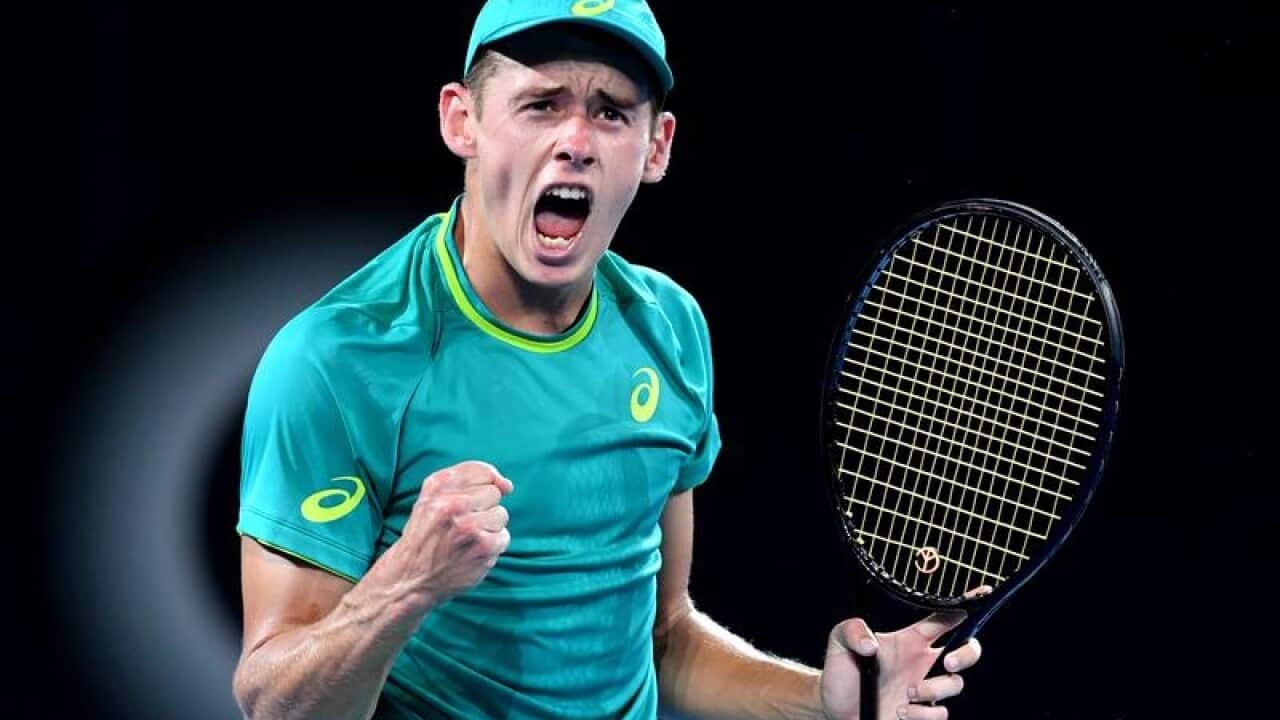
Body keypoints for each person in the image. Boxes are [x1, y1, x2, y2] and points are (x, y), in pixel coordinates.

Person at [232, 2, 983, 718]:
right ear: (461, 120)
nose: (576, 141)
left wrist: (819, 699)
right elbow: (276, 705)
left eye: (611, 112)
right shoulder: (335, 358)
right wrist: (404, 586)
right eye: (541, 105)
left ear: (656, 148)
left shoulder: (671, 327)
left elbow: (665, 641)